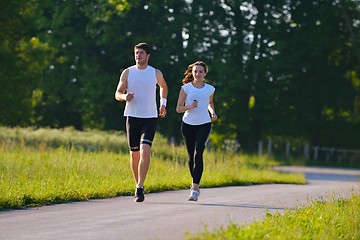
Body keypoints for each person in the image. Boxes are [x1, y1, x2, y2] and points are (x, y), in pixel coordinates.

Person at [115, 42, 168, 202]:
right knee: (134, 154)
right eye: (136, 53)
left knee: (145, 150)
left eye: (141, 53)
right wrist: (125, 97)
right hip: (132, 116)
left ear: (148, 56)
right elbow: (117, 93)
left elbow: (164, 87)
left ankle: (140, 186)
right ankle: (137, 184)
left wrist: (163, 104)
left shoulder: (155, 73)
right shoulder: (128, 72)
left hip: (150, 117)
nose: (138, 56)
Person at [176, 61, 217, 201]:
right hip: (188, 124)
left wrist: (212, 112)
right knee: (191, 156)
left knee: (199, 151)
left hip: (204, 123)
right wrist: (190, 106)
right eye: (195, 71)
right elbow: (178, 108)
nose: (198, 74)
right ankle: (194, 181)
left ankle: (195, 188)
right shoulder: (186, 88)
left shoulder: (210, 89)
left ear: (205, 73)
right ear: (192, 73)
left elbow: (210, 103)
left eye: (200, 71)